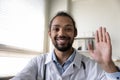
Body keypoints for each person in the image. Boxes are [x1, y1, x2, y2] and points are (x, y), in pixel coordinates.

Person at [10, 11, 120, 80]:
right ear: (50, 34)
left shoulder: (90, 65)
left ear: (75, 33)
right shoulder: (37, 63)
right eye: (56, 29)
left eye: (68, 29)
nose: (61, 34)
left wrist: (108, 64)